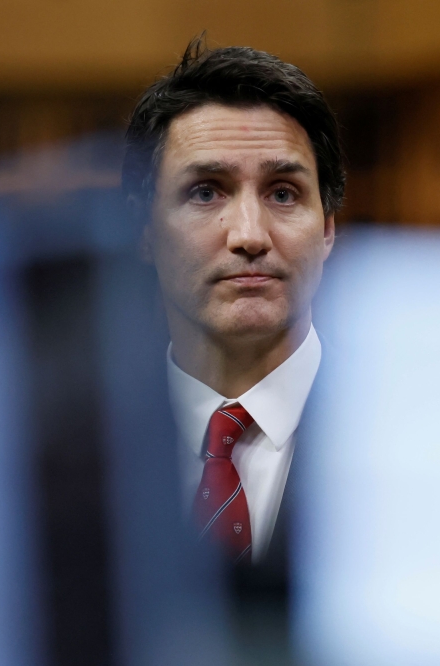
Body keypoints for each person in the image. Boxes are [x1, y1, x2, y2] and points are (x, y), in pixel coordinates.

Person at [122, 38, 344, 568]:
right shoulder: (86, 458)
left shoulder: (404, 440)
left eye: (283, 193)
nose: (249, 236)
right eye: (205, 192)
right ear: (142, 228)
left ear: (329, 229)